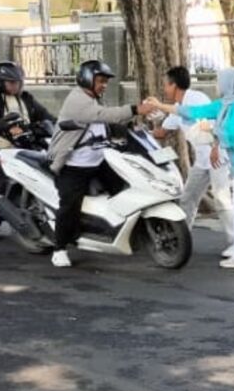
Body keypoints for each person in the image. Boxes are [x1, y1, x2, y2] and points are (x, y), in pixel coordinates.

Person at [147, 69, 234, 274]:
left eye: (220, 81)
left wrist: (211, 131)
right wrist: (160, 106)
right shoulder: (225, 104)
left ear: (231, 83)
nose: (217, 85)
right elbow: (194, 112)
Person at [47, 60, 155, 268]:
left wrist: (133, 128)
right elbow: (103, 115)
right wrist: (135, 109)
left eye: (106, 81)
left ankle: (117, 231)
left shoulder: (94, 98)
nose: (104, 85)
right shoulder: (77, 99)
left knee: (123, 188)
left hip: (98, 160)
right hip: (74, 166)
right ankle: (59, 249)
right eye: (100, 81)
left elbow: (108, 123)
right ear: (87, 79)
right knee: (69, 206)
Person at [153, 66, 234, 258]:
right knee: (188, 197)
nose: (164, 89)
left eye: (166, 85)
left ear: (174, 85)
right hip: (202, 161)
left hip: (218, 155)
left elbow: (216, 124)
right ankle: (181, 239)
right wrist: (143, 128)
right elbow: (161, 133)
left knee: (222, 199)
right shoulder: (176, 109)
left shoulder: (197, 99)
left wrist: (216, 148)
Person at [0, 61, 55, 242]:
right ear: (0, 82)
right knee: (0, 181)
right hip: (1, 146)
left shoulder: (26, 98)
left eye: (18, 82)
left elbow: (45, 115)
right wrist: (6, 126)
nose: (16, 86)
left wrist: (59, 124)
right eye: (11, 82)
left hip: (26, 144)